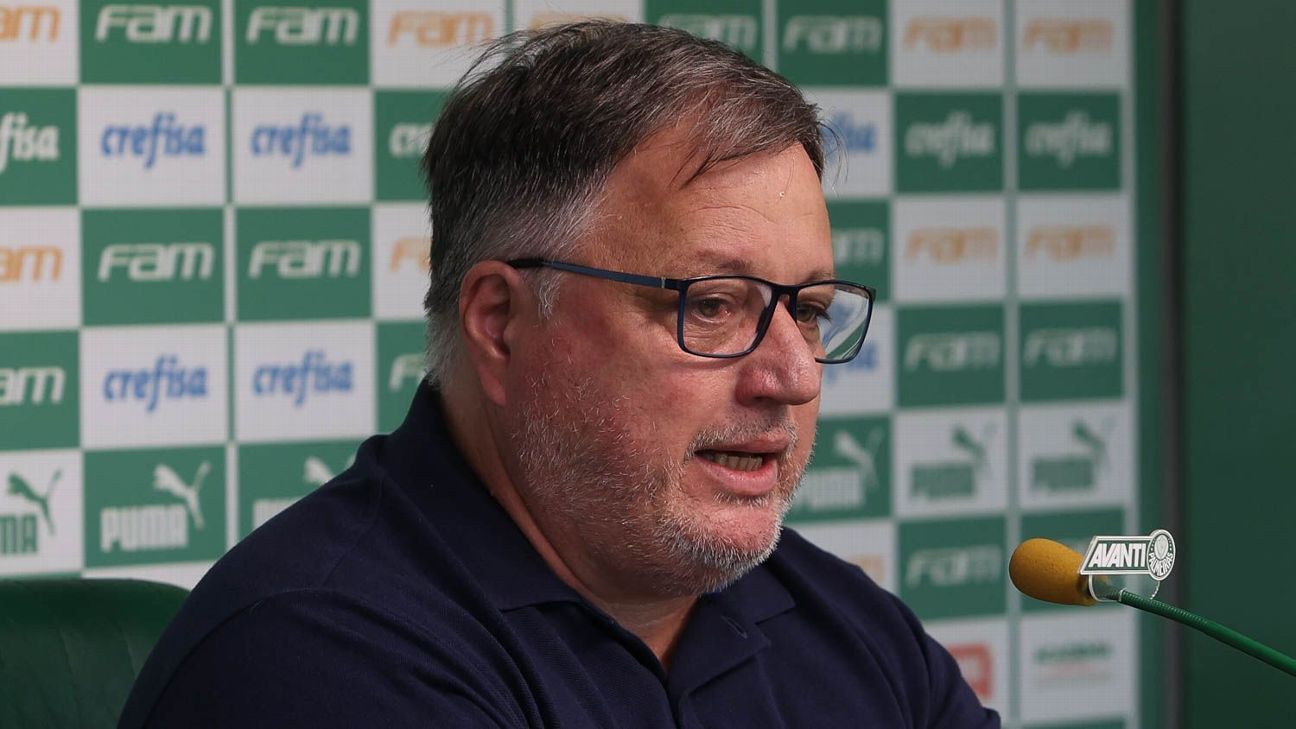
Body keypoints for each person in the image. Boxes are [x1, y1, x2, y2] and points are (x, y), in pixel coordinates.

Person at [119, 22, 999, 728]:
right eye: (712, 305)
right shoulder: (315, 654)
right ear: (501, 324)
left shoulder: (852, 630)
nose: (794, 375)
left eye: (806, 310)